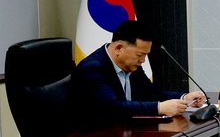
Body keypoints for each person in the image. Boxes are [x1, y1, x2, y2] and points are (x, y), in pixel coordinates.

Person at [68, 20, 207, 124]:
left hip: (126, 130)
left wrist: (184, 98)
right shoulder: (93, 68)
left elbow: (150, 92)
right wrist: (159, 108)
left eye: (145, 55)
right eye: (140, 55)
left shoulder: (131, 64)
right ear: (119, 48)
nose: (143, 60)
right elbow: (112, 107)